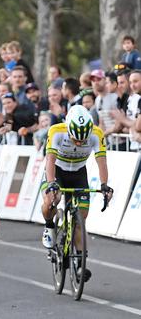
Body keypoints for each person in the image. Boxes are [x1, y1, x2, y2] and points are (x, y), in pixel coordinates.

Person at [40, 106, 113, 281]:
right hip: (58, 171)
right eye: (75, 139)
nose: (79, 143)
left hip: (79, 173)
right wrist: (51, 184)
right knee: (52, 199)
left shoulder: (96, 133)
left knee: (81, 218)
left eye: (83, 140)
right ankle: (50, 225)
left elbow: (101, 161)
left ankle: (80, 264)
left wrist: (104, 185)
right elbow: (50, 160)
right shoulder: (56, 131)